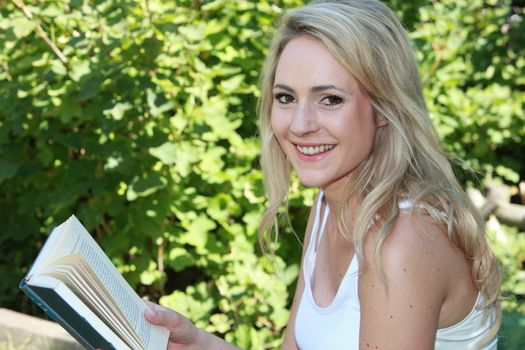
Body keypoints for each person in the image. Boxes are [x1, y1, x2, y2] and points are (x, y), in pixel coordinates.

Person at [145, 0, 501, 349]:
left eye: (329, 99)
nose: (300, 125)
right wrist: (202, 345)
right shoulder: (329, 205)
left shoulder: (400, 241)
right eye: (285, 98)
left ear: (384, 109)